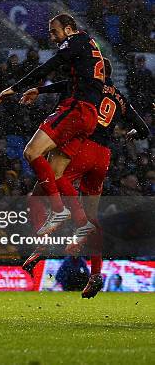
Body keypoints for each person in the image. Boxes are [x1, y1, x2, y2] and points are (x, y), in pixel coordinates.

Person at [19, 59, 150, 298]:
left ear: (97, 72)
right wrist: (132, 132)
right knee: (92, 215)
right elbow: (144, 130)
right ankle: (96, 274)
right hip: (104, 156)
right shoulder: (120, 97)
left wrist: (39, 89)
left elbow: (63, 85)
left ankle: (43, 244)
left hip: (84, 147)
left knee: (43, 186)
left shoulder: (89, 85)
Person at [0, 14, 105, 234]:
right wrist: (40, 90)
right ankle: (83, 223)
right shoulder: (87, 46)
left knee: (31, 152)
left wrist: (14, 88)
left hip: (76, 109)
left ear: (69, 30)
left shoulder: (75, 41)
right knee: (55, 174)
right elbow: (76, 81)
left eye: (55, 31)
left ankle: (58, 210)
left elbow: (49, 66)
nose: (52, 36)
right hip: (89, 117)